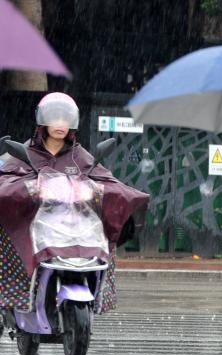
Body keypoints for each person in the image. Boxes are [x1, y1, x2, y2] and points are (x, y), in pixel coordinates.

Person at [0, 92, 148, 314]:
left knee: (105, 241)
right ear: (42, 120)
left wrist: (102, 192)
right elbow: (6, 181)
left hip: (75, 225)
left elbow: (105, 180)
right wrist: (29, 188)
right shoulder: (25, 153)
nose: (60, 124)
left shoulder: (79, 156)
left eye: (65, 119)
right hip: (35, 224)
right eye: (54, 118)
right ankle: (13, 298)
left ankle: (96, 295)